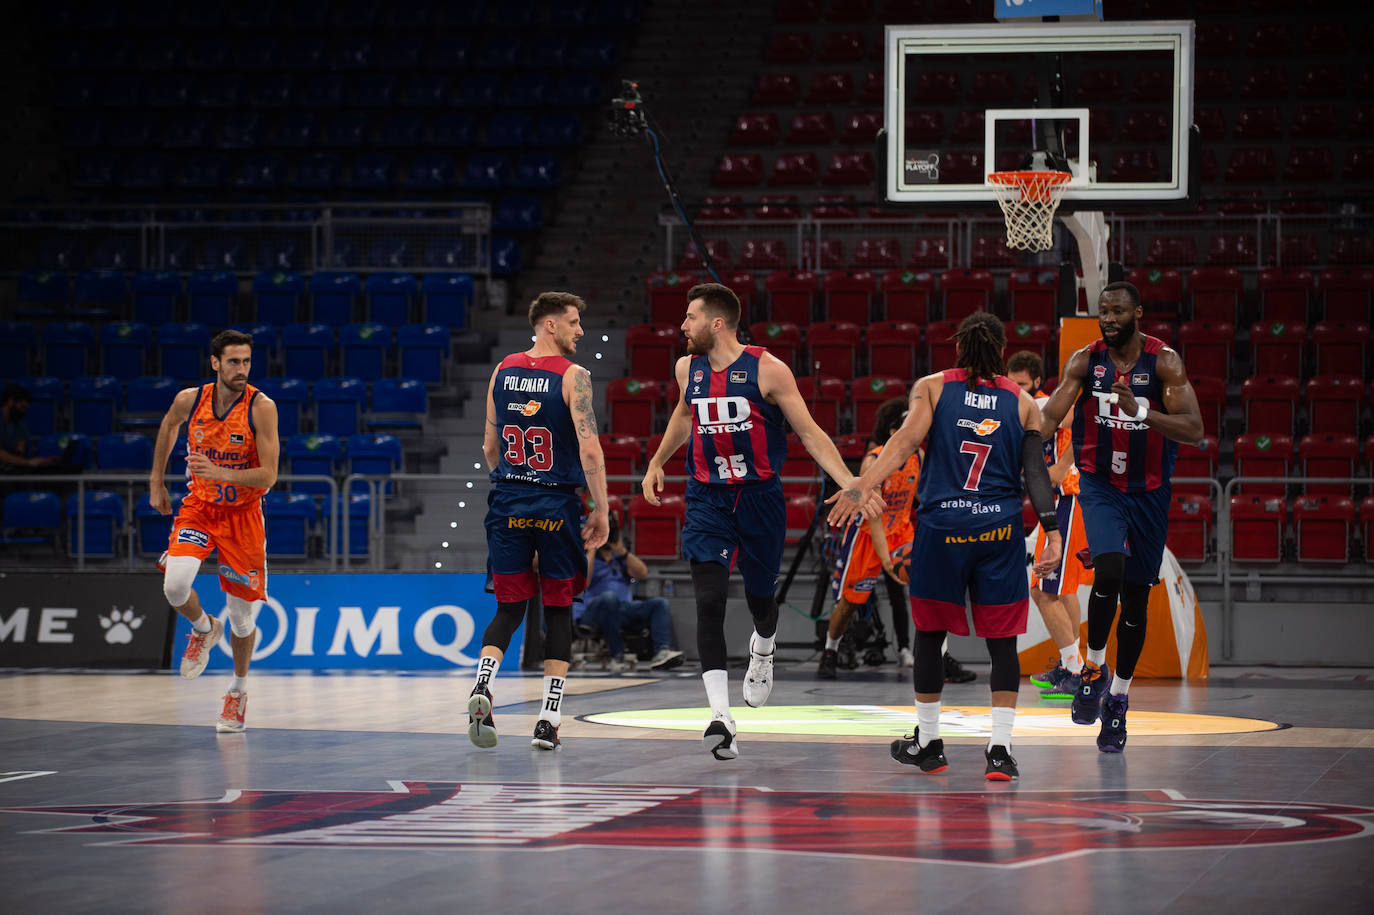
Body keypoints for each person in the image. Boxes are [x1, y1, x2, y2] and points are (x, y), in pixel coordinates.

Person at [641, 282, 881, 760]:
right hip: (707, 498)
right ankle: (720, 718)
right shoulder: (686, 368)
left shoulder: (768, 370)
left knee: (759, 600)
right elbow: (685, 417)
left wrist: (851, 482)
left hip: (759, 500)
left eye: (690, 318)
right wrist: (656, 461)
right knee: (709, 601)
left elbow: (810, 434)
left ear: (717, 323)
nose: (682, 326)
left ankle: (764, 647)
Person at [830, 312, 1062, 780]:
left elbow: (900, 444)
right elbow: (1036, 473)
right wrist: (1053, 530)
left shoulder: (933, 387)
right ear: (999, 353)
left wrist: (860, 487)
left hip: (942, 531)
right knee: (1003, 645)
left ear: (958, 349)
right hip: (999, 532)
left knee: (931, 638)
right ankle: (999, 751)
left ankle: (930, 744)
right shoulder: (1022, 402)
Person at [1039, 281, 1204, 752]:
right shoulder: (1084, 361)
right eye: (1102, 312)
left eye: (1116, 312)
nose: (1108, 319)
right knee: (1108, 567)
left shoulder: (1164, 362)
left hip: (1149, 492)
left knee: (1135, 602)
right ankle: (1092, 669)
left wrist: (1143, 411)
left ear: (1138, 314)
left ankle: (1119, 701)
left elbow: (1194, 429)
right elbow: (1050, 417)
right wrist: (1019, 448)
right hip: (1099, 484)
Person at [470, 291, 609, 752]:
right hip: (555, 506)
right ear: (550, 325)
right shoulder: (575, 376)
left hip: (507, 502)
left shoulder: (503, 369)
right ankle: (548, 721)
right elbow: (589, 449)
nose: (580, 331)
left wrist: (511, 482)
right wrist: (602, 509)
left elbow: (490, 448)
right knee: (558, 609)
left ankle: (482, 687)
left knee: (508, 609)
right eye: (573, 322)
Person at [149, 329, 280, 733]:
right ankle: (204, 629)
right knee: (174, 586)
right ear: (215, 363)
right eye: (234, 362)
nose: (241, 369)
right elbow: (169, 426)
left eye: (246, 362)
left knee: (243, 622)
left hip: (242, 517)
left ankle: (237, 691)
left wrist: (219, 470)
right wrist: (156, 481)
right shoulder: (190, 399)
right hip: (201, 508)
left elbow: (269, 477)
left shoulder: (261, 407)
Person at [1006, 351, 1092, 699]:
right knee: (1061, 588)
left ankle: (1076, 670)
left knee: (1043, 589)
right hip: (1064, 500)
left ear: (1038, 383)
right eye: (1012, 383)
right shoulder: (1025, 405)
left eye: (1022, 384)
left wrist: (1061, 467)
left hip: (1071, 495)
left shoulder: (1043, 404)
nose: (1016, 390)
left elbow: (1079, 415)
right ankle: (1075, 665)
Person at [819, 397, 919, 679]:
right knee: (851, 602)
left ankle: (921, 652)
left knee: (923, 591)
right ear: (892, 432)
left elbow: (915, 498)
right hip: (867, 535)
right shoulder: (873, 462)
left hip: (901, 530)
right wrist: (887, 559)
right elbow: (873, 517)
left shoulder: (918, 456)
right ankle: (830, 650)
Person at [579, 513, 685, 671]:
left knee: (659, 603)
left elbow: (642, 573)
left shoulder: (618, 557)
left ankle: (661, 652)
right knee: (610, 598)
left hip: (624, 609)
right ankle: (617, 655)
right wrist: (592, 546)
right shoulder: (588, 556)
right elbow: (583, 581)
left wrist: (622, 552)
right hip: (595, 610)